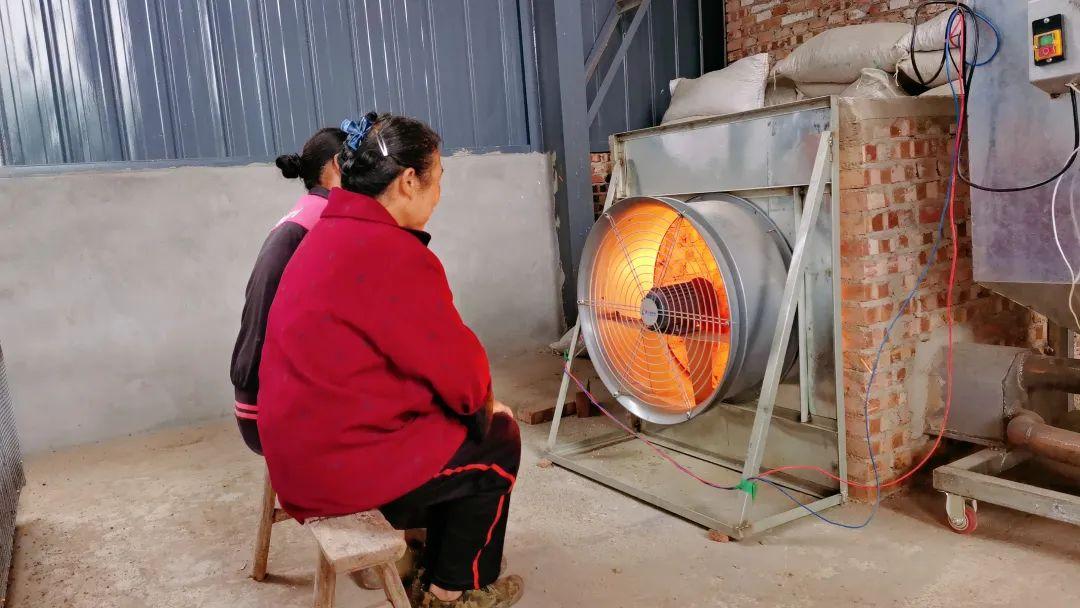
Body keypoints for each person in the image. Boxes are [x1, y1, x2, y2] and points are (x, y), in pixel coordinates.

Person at [258, 112, 524, 608]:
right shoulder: (392, 254)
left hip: (299, 456)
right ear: (407, 182)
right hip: (334, 473)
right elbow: (465, 381)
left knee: (456, 418)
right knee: (497, 439)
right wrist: (484, 404)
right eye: (438, 180)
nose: (439, 195)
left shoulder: (325, 235)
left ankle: (432, 560)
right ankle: (454, 590)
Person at [229, 127, 346, 454]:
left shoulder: (300, 215)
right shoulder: (329, 219)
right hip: (276, 412)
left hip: (251, 400)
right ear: (338, 164)